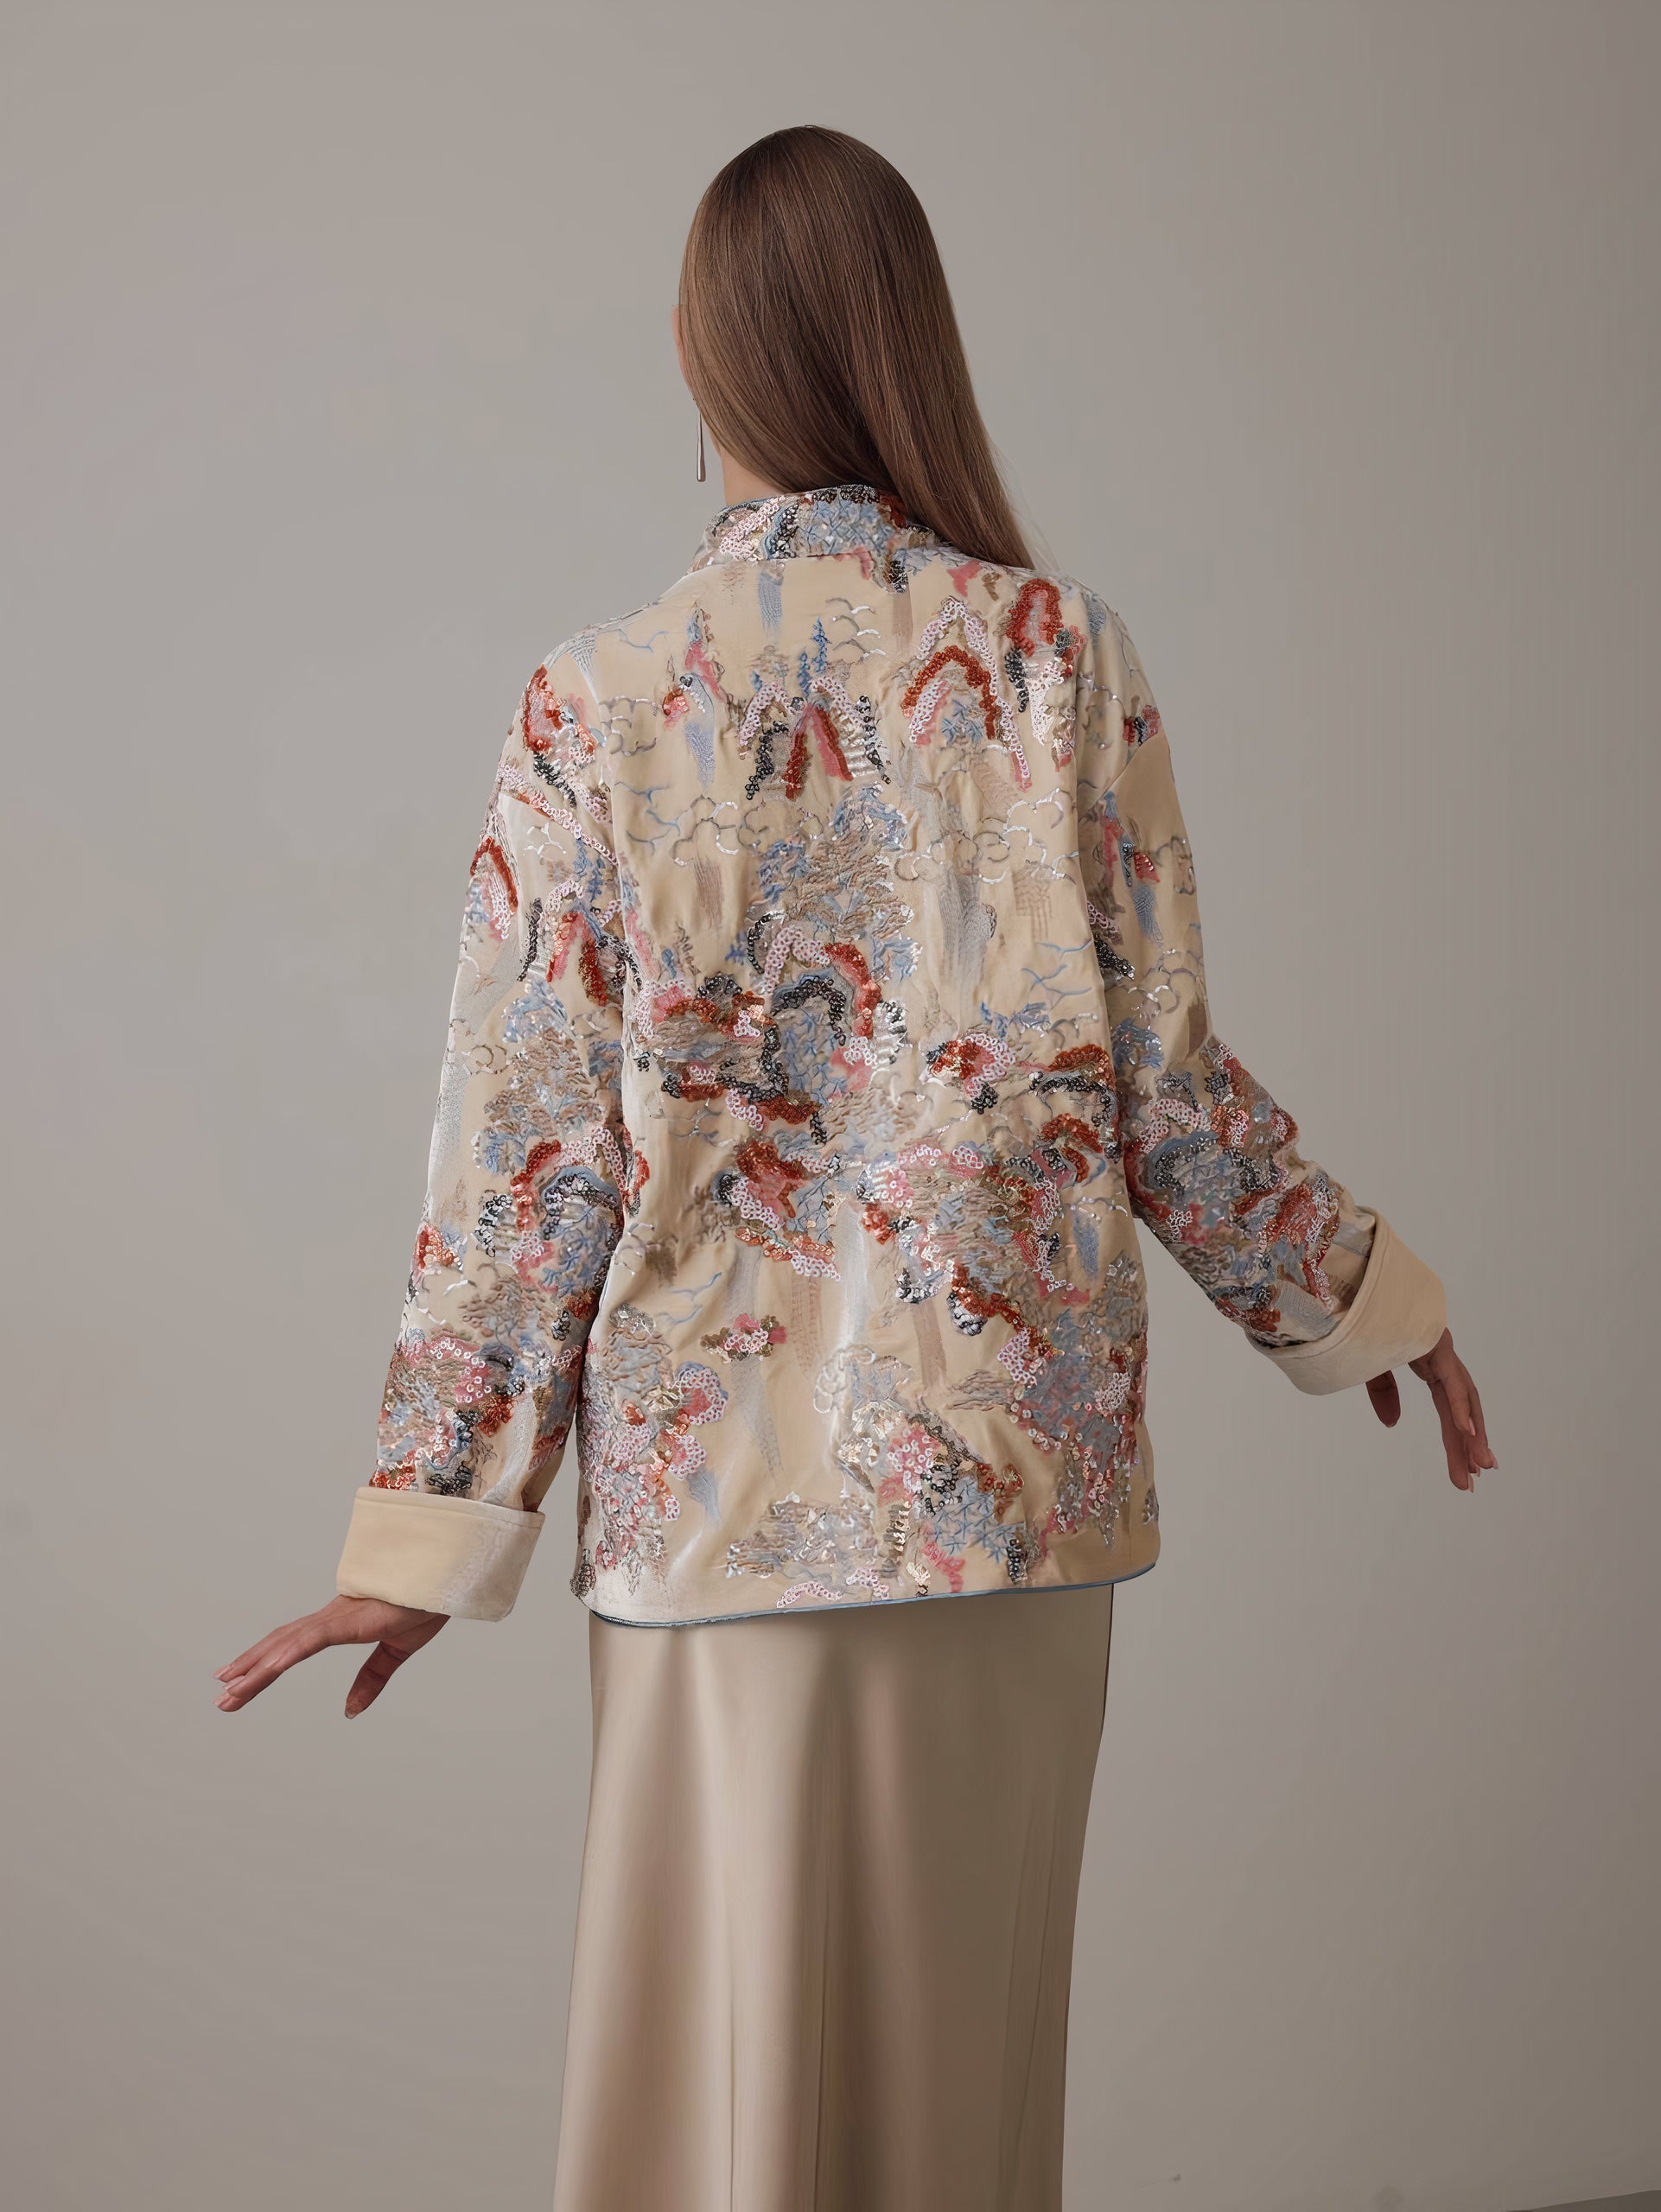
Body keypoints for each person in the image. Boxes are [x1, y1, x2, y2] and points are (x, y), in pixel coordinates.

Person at [215, 124, 1494, 2212]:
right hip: (1006, 1515)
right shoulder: (1058, 656)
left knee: (712, 2114)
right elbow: (1162, 1085)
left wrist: (436, 1525)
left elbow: (527, 1155)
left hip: (711, 1527)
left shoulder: (599, 700)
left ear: (698, 350)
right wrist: (1366, 1297)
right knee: (961, 2113)